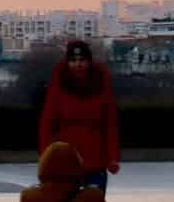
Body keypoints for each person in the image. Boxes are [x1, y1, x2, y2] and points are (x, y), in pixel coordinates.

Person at [38, 40, 121, 189]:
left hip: (95, 161)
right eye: (73, 60)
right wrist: (46, 156)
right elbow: (47, 124)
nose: (78, 64)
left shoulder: (101, 85)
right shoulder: (59, 87)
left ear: (89, 62)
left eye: (82, 60)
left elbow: (110, 125)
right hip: (66, 163)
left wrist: (112, 158)